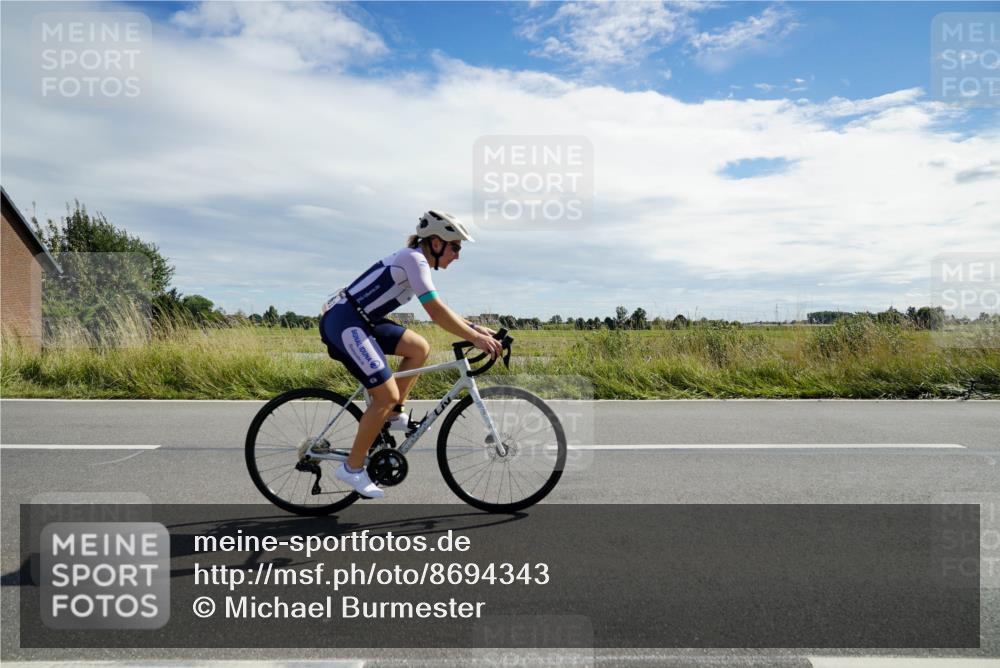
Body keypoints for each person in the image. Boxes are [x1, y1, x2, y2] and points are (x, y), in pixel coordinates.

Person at [319, 211, 502, 498]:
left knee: (419, 348)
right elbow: (435, 310)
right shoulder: (414, 259)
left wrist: (476, 328)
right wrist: (474, 338)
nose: (458, 255)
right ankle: (352, 468)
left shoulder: (418, 261)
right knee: (386, 394)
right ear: (436, 242)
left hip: (363, 320)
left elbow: (440, 306)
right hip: (345, 322)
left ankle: (392, 414)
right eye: (455, 247)